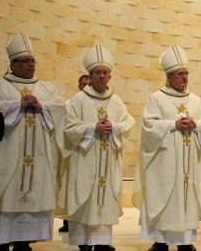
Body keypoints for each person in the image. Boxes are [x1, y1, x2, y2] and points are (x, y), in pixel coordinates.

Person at [0, 32, 66, 251]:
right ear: (13, 64)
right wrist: (16, 106)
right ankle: (3, 241)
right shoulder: (0, 87)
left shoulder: (46, 88)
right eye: (25, 61)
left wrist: (42, 107)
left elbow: (60, 110)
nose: (30, 65)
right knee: (7, 197)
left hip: (37, 160)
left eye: (32, 61)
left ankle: (24, 242)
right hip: (8, 159)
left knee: (34, 194)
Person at [133, 45, 201, 251]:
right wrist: (172, 125)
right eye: (180, 74)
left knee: (186, 200)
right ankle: (160, 242)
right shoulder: (156, 98)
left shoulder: (195, 100)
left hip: (189, 166)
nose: (185, 78)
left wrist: (196, 125)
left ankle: (186, 243)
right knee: (166, 201)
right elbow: (148, 127)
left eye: (186, 74)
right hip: (165, 166)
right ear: (168, 77)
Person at [64, 45, 135, 251]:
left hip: (108, 161)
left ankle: (103, 242)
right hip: (85, 160)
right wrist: (92, 128)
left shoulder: (117, 101)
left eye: (105, 73)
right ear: (90, 75)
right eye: (97, 73)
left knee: (104, 202)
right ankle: (84, 244)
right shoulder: (77, 101)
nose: (102, 76)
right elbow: (69, 127)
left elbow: (128, 122)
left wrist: (113, 127)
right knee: (85, 200)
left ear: (110, 76)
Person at [58, 73, 91, 233]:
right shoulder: (71, 103)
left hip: (95, 152)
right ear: (78, 86)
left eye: (88, 83)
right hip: (74, 152)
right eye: (83, 84)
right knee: (71, 188)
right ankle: (68, 220)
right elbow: (66, 128)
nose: (86, 86)